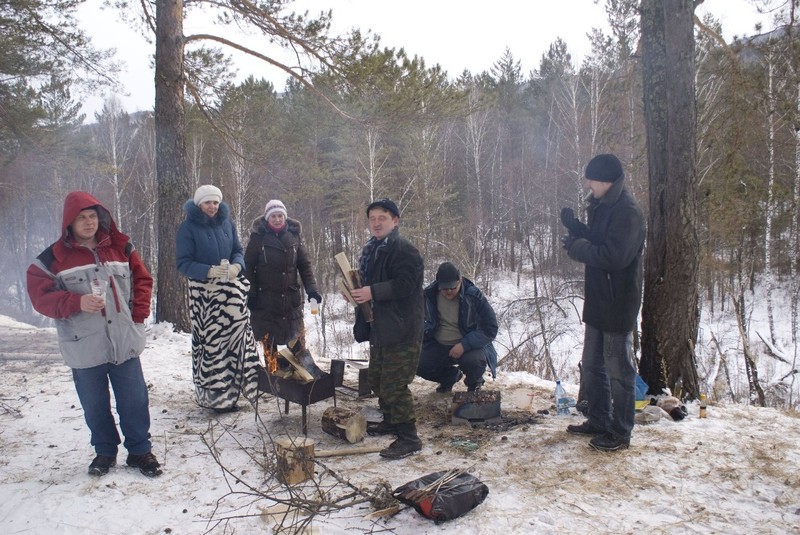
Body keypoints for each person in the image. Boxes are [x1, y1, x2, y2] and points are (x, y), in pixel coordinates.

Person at [26, 191, 162, 477]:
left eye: (92, 217)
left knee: (135, 399)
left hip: (123, 339)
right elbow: (40, 298)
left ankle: (139, 451)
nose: (89, 223)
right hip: (84, 344)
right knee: (94, 402)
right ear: (69, 223)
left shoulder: (121, 247)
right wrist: (76, 302)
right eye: (81, 218)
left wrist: (137, 316)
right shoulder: (52, 259)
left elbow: (143, 280)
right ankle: (105, 452)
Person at [560, 153, 645, 452]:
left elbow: (614, 257)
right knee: (593, 366)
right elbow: (598, 239)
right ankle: (598, 420)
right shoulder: (604, 205)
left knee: (618, 371)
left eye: (591, 178)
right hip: (598, 299)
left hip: (617, 303)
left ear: (606, 181)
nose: (587, 183)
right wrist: (577, 229)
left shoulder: (628, 212)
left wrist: (577, 248)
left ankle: (620, 432)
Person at [176, 185, 261, 413]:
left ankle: (241, 390)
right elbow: (183, 264)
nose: (212, 207)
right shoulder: (188, 228)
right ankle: (216, 398)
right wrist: (209, 271)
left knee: (237, 340)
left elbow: (237, 250)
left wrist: (236, 266)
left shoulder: (227, 223)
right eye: (207, 203)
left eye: (215, 202)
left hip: (230, 292)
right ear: (199, 205)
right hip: (205, 298)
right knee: (213, 344)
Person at [350, 198, 424, 460]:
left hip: (402, 328)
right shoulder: (373, 249)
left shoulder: (404, 250)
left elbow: (406, 284)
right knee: (378, 379)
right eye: (372, 219)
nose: (377, 223)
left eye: (382, 218)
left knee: (394, 384)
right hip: (382, 327)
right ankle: (391, 420)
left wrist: (373, 291)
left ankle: (409, 437)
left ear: (395, 221)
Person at [244, 199, 321, 351]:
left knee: (297, 349)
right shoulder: (257, 238)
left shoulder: (294, 236)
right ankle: (272, 374)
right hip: (266, 301)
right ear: (267, 218)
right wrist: (251, 293)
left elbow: (305, 266)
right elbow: (248, 267)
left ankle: (298, 374)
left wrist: (312, 290)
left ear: (285, 217)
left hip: (290, 300)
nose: (277, 219)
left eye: (280, 215)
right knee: (270, 350)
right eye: (273, 216)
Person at [416, 262, 498, 393]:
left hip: (468, 346)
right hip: (438, 344)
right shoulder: (429, 295)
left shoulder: (473, 296)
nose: (448, 292)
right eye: (444, 288)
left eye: (452, 288)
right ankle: (449, 378)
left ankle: (474, 385)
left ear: (460, 280)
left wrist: (464, 345)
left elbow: (490, 328)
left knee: (475, 362)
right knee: (417, 363)